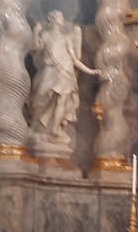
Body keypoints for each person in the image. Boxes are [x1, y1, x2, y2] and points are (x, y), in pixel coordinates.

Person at [29, 10, 100, 145]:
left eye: (62, 17)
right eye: (60, 17)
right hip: (49, 70)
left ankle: (56, 128)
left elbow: (74, 59)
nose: (62, 19)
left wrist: (91, 71)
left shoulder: (66, 38)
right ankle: (39, 126)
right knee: (41, 97)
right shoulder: (45, 35)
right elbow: (35, 48)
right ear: (52, 20)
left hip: (66, 72)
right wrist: (36, 32)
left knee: (61, 101)